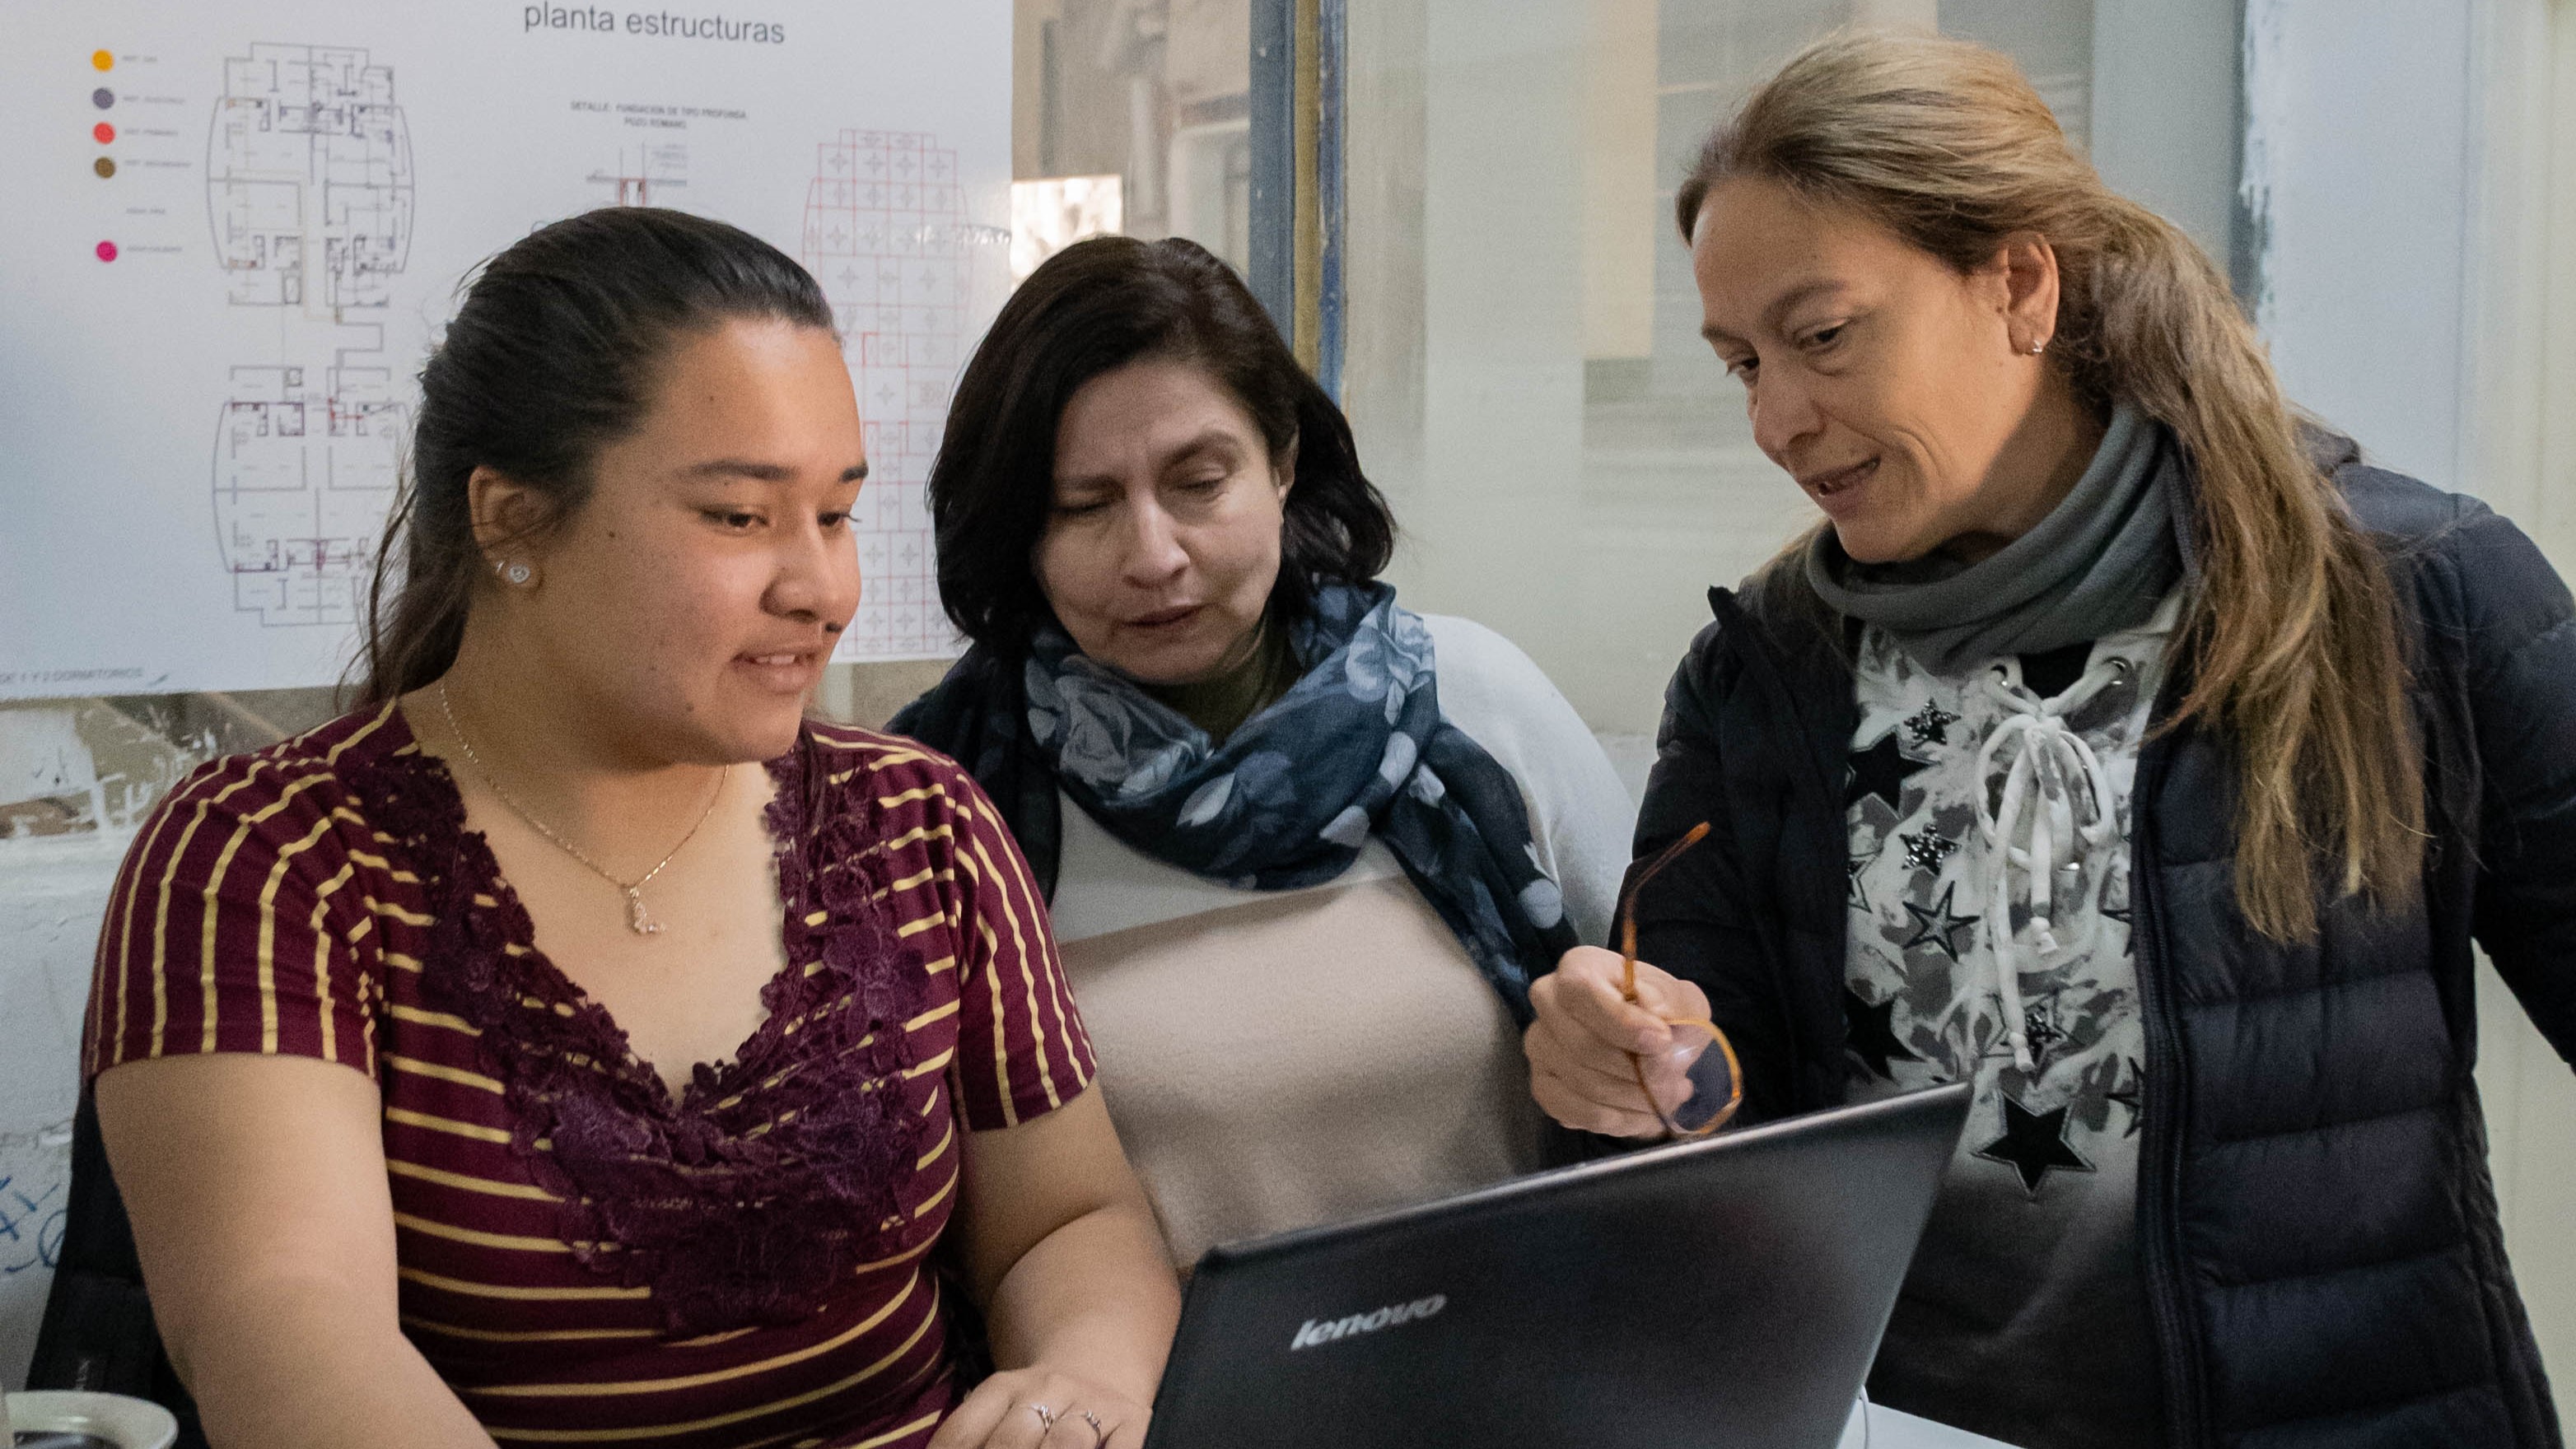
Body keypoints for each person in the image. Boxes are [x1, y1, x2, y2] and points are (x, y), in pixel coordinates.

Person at [1521, 30, 2574, 1449]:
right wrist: (1634, 1075)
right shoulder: (1761, 675)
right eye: (1739, 364)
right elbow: (1715, 1118)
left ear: (2017, 284)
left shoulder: (2412, 600)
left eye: (1822, 336)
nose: (1775, 419)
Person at [83, 208, 1178, 1449]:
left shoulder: (920, 825)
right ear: (508, 521)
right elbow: (286, 1329)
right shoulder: (271, 863)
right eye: (738, 518)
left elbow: (1068, 1219)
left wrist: (1082, 1380)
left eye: (836, 515)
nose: (819, 588)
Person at [893, 236, 1636, 1269]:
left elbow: (1691, 1047)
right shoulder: (939, 799)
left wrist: (1661, 1057)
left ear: (1283, 462)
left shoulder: (1472, 702)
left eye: (1198, 481)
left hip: (1508, 1381)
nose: (1152, 555)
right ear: (1018, 528)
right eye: (1084, 504)